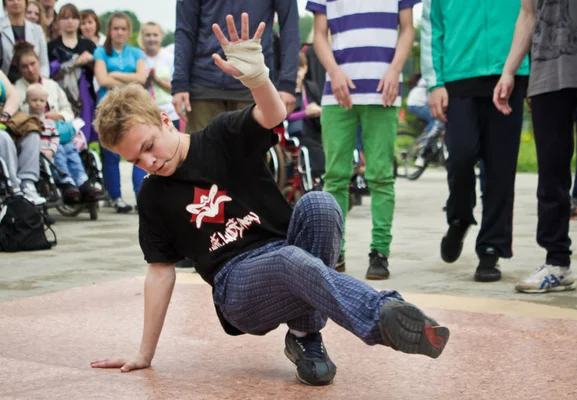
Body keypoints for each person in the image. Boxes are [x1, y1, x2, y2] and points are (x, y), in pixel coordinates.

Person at [89, 14, 450, 387]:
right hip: (238, 288)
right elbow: (160, 272)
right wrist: (144, 354)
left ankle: (305, 338)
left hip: (285, 250)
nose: (148, 162)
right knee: (289, 260)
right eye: (135, 160)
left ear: (165, 120)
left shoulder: (220, 135)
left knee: (321, 205)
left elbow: (273, 114)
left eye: (147, 147)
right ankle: (382, 316)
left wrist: (258, 79)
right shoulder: (152, 195)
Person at [494, 0, 577, 293]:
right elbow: (528, 14)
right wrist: (508, 72)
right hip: (547, 74)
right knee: (552, 173)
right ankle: (557, 264)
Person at [308, 0, 418, 279]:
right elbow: (319, 34)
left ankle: (379, 252)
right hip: (337, 92)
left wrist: (395, 69)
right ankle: (335, 251)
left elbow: (407, 28)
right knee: (335, 177)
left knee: (381, 176)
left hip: (383, 90)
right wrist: (333, 72)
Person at [420, 0, 528, 283]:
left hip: (510, 72)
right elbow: (433, 26)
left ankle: (491, 248)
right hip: (459, 76)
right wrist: (434, 82)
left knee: (500, 168)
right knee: (461, 156)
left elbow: (534, 15)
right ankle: (459, 218)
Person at [172, 0, 300, 132]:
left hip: (255, 83)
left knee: (254, 151)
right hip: (203, 84)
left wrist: (287, 83)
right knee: (200, 151)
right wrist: (179, 83)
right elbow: (185, 29)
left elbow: (290, 27)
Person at [15, 42, 102, 203]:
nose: (30, 69)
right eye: (24, 66)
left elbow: (68, 110)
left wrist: (59, 116)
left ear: (38, 63)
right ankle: (66, 182)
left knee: (70, 147)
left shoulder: (51, 85)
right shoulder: (18, 89)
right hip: (38, 134)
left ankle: (83, 181)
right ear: (19, 69)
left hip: (59, 130)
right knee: (59, 149)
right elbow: (17, 117)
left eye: (33, 64)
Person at [93, 12, 147, 212]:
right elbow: (102, 80)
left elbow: (141, 78)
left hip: (132, 107)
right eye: (115, 28)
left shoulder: (136, 53)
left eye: (123, 28)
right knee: (112, 154)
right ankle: (115, 197)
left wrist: (114, 73)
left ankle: (141, 195)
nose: (119, 32)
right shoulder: (101, 52)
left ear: (128, 31)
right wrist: (128, 79)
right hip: (108, 107)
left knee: (139, 149)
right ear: (110, 30)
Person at [47, 3, 97, 143]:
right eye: (65, 18)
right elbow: (49, 75)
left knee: (85, 136)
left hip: (85, 97)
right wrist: (75, 63)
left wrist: (90, 61)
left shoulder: (88, 45)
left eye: (74, 17)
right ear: (58, 22)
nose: (70, 21)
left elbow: (98, 73)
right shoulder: (52, 47)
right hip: (61, 96)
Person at [0, 68, 45, 205]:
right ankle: (13, 187)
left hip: (4, 115)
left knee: (31, 129)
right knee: (4, 138)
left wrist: (5, 114)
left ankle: (27, 183)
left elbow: (13, 96)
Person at [286, 52, 325, 179]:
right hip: (293, 134)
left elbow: (320, 107)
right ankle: (321, 176)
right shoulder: (286, 91)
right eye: (295, 69)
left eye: (300, 68)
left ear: (305, 68)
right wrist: (305, 113)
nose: (297, 73)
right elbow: (283, 117)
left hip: (313, 129)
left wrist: (319, 110)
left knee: (330, 143)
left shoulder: (311, 87)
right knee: (315, 148)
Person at [138, 22, 180, 132]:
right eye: (148, 35)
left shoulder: (169, 58)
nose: (152, 39)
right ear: (142, 37)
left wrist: (156, 80)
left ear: (161, 36)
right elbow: (136, 87)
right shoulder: (138, 58)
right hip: (145, 115)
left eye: (155, 35)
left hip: (170, 113)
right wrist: (147, 80)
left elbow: (175, 88)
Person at [0, 0, 49, 83]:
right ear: (4, 4)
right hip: (5, 84)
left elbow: (43, 62)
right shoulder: (1, 28)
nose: (15, 2)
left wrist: (42, 83)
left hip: (33, 85)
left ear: (26, 3)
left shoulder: (37, 29)